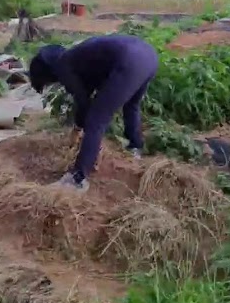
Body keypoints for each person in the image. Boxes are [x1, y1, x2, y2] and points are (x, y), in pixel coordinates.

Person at [28, 35, 160, 192]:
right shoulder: (78, 57)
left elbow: (83, 102)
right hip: (148, 56)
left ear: (47, 72)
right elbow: (88, 91)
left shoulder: (64, 66)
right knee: (131, 105)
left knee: (96, 120)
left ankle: (78, 179)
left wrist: (78, 128)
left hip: (129, 60)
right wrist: (79, 125)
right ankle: (135, 148)